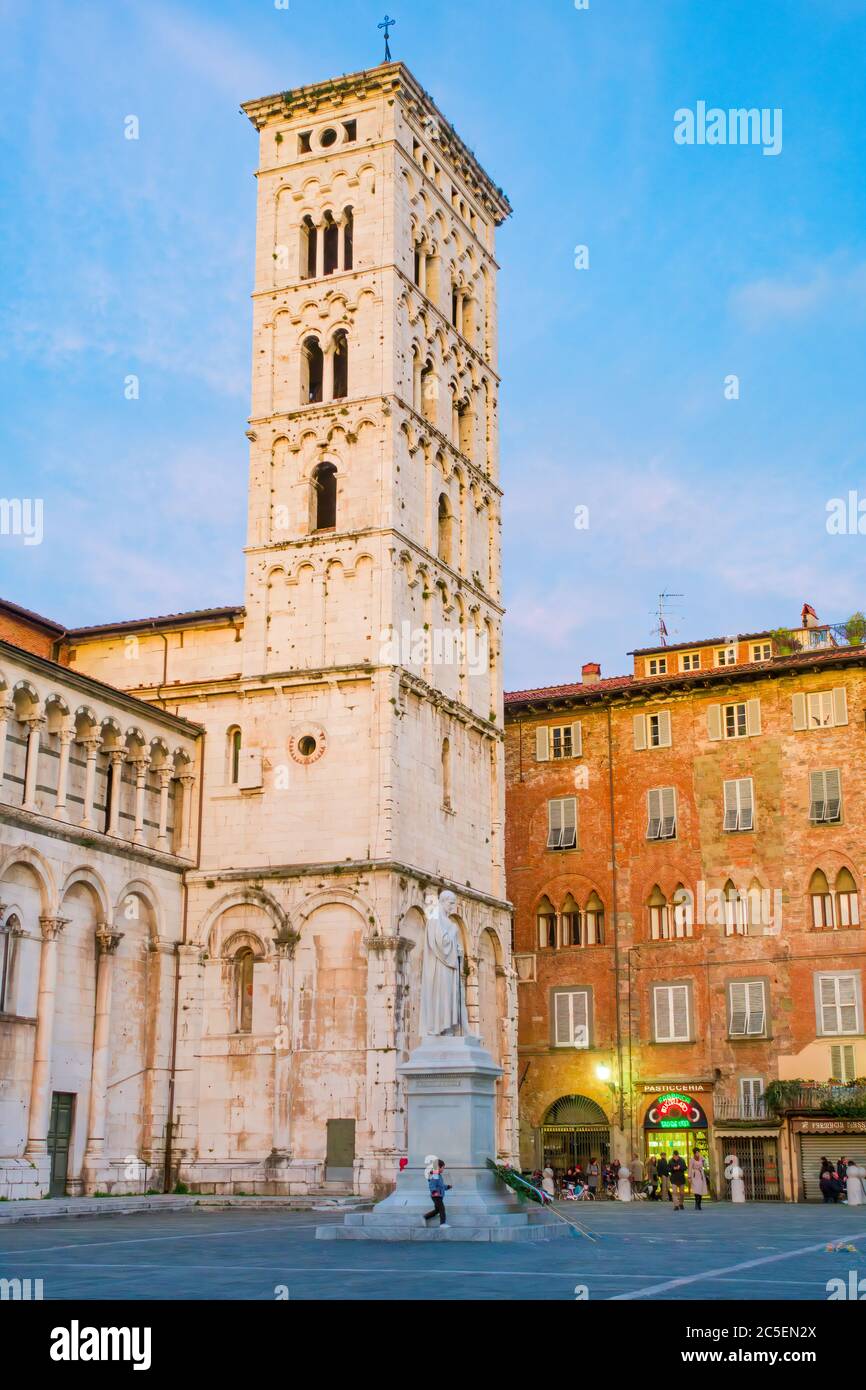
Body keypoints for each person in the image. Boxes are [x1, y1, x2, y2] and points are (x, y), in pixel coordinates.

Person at [423, 1155, 451, 1227]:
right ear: (438, 1167)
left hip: (439, 1196)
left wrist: (447, 1187)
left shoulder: (438, 1175)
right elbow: (432, 1185)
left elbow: (440, 1186)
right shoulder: (435, 1175)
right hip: (436, 1196)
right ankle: (442, 1224)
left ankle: (425, 1217)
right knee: (442, 1209)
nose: (443, 1169)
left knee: (437, 1210)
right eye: (443, 1167)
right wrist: (434, 1192)